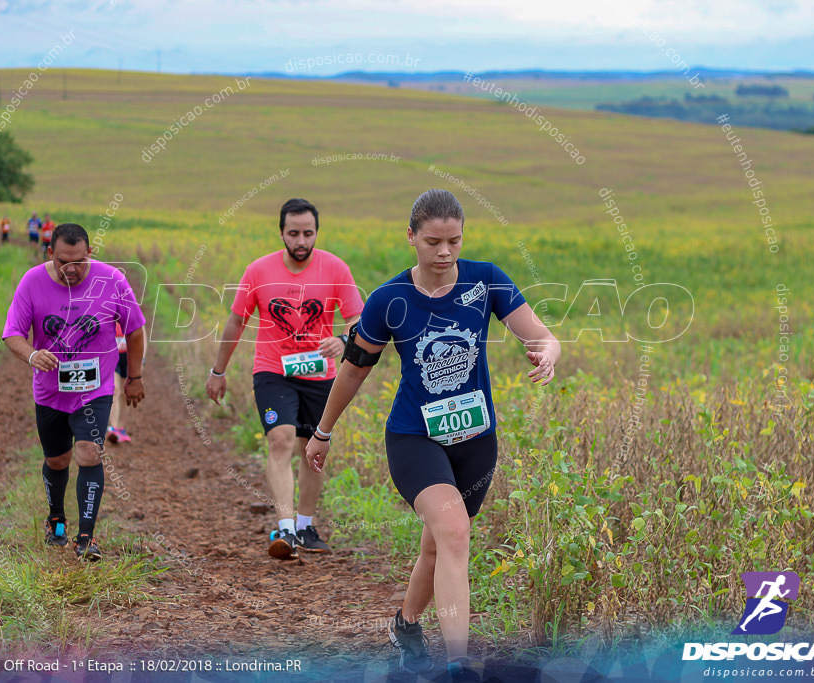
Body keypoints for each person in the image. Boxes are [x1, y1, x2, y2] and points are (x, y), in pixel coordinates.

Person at [305, 189, 560, 678]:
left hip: (476, 439)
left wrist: (548, 352)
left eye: (454, 242)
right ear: (411, 237)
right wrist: (323, 431)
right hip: (414, 438)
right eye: (433, 242)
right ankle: (460, 664)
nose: (444, 253)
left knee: (437, 545)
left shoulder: (487, 281)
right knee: (455, 533)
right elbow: (355, 369)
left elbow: (542, 335)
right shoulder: (389, 300)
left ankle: (405, 623)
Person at [206, 198, 364, 560]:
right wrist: (218, 370)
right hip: (272, 369)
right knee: (280, 439)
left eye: (308, 233)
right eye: (293, 233)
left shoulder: (336, 269)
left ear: (316, 233)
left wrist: (342, 340)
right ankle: (286, 528)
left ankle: (306, 526)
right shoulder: (258, 271)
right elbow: (236, 322)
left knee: (313, 452)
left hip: (320, 373)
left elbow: (360, 320)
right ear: (281, 233)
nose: (301, 241)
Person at [2, 222, 146, 561]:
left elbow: (135, 330)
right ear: (50, 253)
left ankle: (87, 536)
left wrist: (135, 377)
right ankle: (56, 518)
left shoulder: (112, 280)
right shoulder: (32, 281)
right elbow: (12, 333)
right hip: (50, 393)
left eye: (79, 261)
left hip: (95, 390)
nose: (72, 269)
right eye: (63, 261)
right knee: (57, 459)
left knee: (89, 454)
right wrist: (33, 355)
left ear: (90, 254)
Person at [107, 322, 132, 443]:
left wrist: (142, 360)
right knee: (115, 389)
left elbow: (142, 336)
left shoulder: (133, 311)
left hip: (129, 357)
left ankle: (121, 428)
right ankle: (113, 428)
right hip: (113, 357)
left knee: (126, 392)